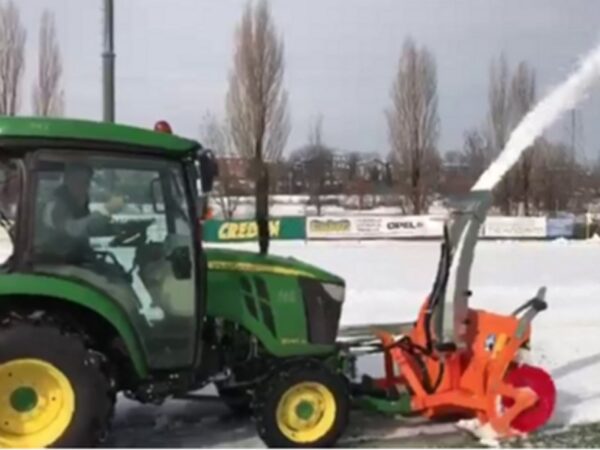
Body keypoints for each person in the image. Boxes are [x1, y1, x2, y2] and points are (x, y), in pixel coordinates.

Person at [40, 162, 124, 262]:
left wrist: (114, 229)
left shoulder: (78, 203)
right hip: (55, 261)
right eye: (77, 181)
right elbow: (72, 229)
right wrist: (106, 210)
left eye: (86, 182)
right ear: (67, 181)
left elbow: (87, 229)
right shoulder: (55, 205)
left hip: (77, 258)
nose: (83, 186)